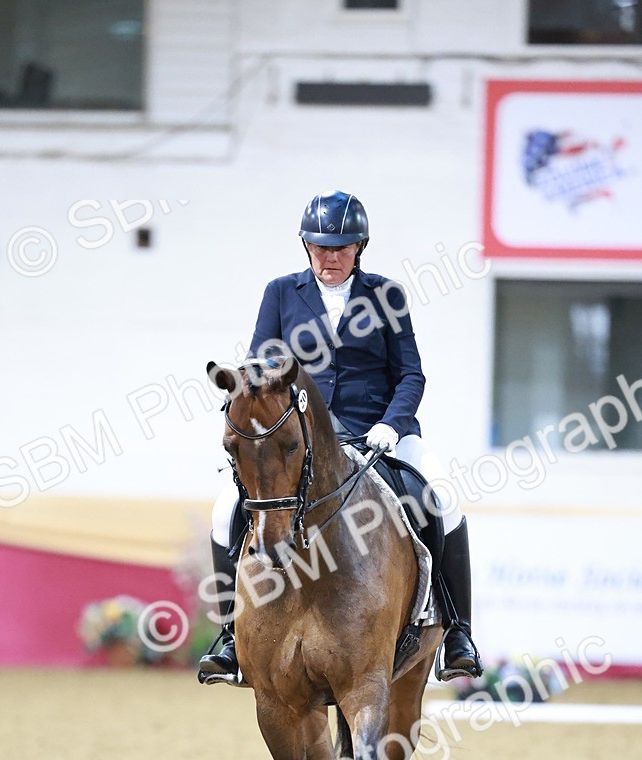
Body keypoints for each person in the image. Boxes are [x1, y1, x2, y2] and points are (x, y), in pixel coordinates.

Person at [198, 190, 481, 684]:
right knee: (226, 510)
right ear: (306, 246)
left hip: (380, 432)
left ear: (360, 247)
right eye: (321, 247)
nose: (331, 257)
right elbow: (265, 365)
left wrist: (391, 425)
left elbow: (411, 374)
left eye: (343, 247)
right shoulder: (282, 293)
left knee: (444, 499)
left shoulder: (386, 295)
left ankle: (458, 632)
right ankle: (228, 636)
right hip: (303, 439)